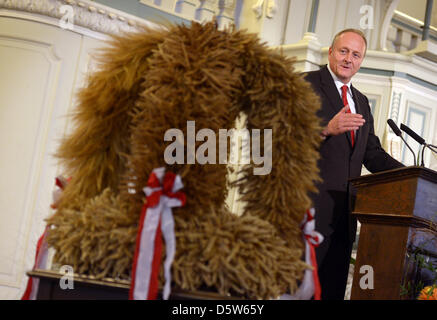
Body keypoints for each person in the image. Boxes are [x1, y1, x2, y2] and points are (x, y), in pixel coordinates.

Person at [304, 29, 404, 300]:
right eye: (344, 51)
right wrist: (325, 130)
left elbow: (372, 154)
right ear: (331, 52)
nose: (349, 59)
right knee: (299, 289)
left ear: (361, 61)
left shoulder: (360, 101)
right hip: (307, 212)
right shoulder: (305, 84)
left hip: (345, 215)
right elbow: (280, 138)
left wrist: (410, 175)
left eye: (356, 54)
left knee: (332, 291)